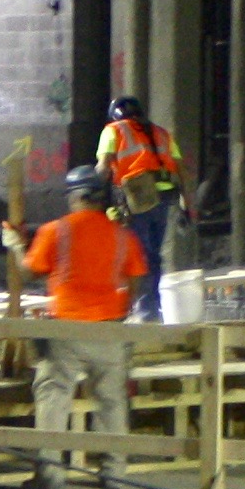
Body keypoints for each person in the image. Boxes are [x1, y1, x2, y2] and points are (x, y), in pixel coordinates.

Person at [21, 165, 149, 489]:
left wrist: (15, 246)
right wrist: (122, 310)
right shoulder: (123, 235)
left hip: (66, 330)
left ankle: (49, 475)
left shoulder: (56, 231)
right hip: (110, 330)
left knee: (53, 397)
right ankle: (114, 474)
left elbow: (28, 273)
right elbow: (136, 277)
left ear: (76, 196)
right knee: (112, 402)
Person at [96, 95, 183, 321]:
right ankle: (151, 308)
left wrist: (92, 192)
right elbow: (180, 169)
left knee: (138, 254)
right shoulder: (162, 133)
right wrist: (186, 205)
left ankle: (143, 310)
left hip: (139, 195)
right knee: (154, 255)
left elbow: (104, 167)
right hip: (165, 196)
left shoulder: (113, 130)